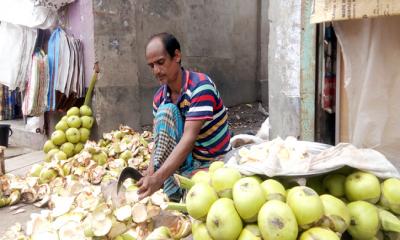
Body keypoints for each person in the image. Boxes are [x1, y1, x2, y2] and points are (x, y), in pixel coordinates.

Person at [137, 32, 231, 201]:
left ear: (177, 56)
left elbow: (188, 139)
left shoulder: (200, 87)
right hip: (187, 162)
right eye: (151, 66)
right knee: (165, 112)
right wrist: (151, 174)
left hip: (212, 162)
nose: (156, 71)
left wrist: (158, 178)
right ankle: (171, 182)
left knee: (199, 199)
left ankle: (172, 184)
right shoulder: (160, 97)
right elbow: (158, 143)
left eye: (160, 62)